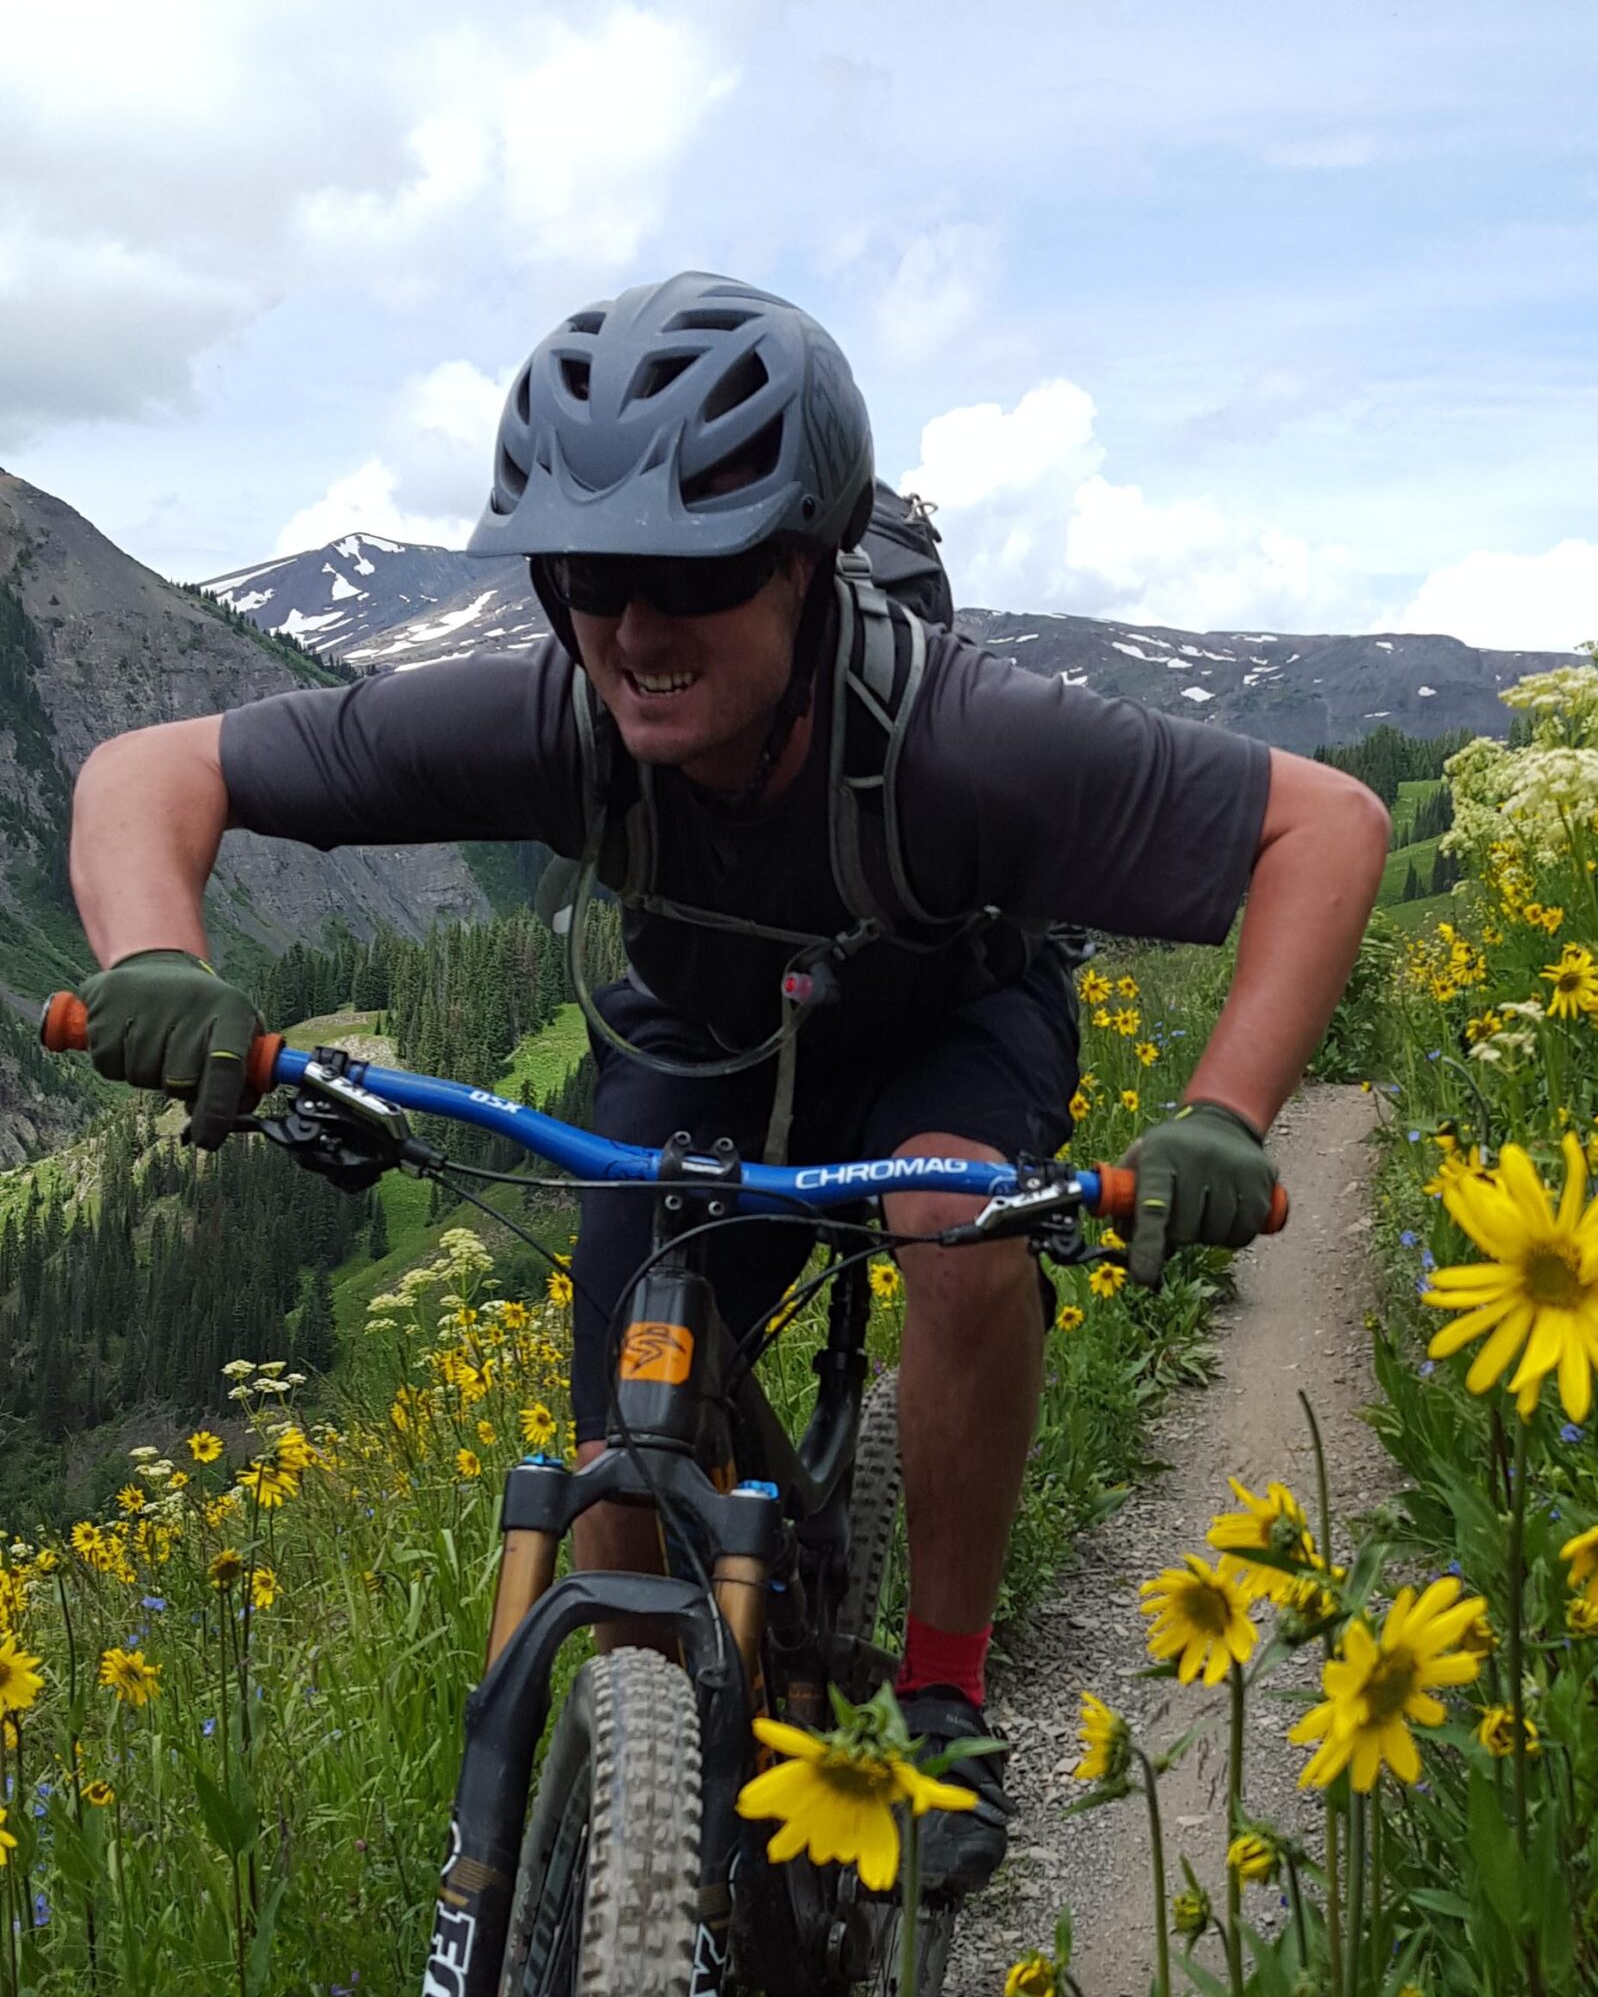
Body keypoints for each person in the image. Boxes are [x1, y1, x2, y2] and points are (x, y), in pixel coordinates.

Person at [63, 270, 1389, 1895]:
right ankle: (633, 1830)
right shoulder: (562, 715)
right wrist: (151, 961)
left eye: (687, 571)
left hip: (950, 1026)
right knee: (623, 1402)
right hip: (700, 1042)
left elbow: (1325, 824)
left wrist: (1225, 1115)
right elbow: (151, 771)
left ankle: (946, 1695)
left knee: (951, 1236)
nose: (630, 628)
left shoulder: (963, 737)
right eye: (583, 577)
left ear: (806, 559)